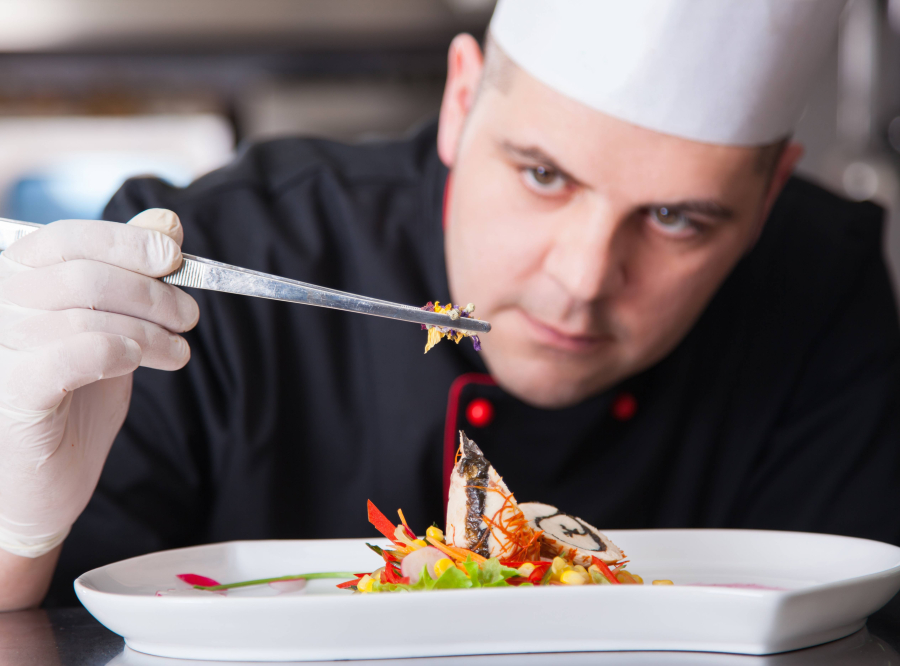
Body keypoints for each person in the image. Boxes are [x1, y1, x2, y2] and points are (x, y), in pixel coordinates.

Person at [1, 0, 897, 610]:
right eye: (544, 175)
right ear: (461, 100)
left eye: (677, 219)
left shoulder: (823, 290)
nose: (584, 278)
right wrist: (14, 532)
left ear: (770, 192)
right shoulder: (221, 253)